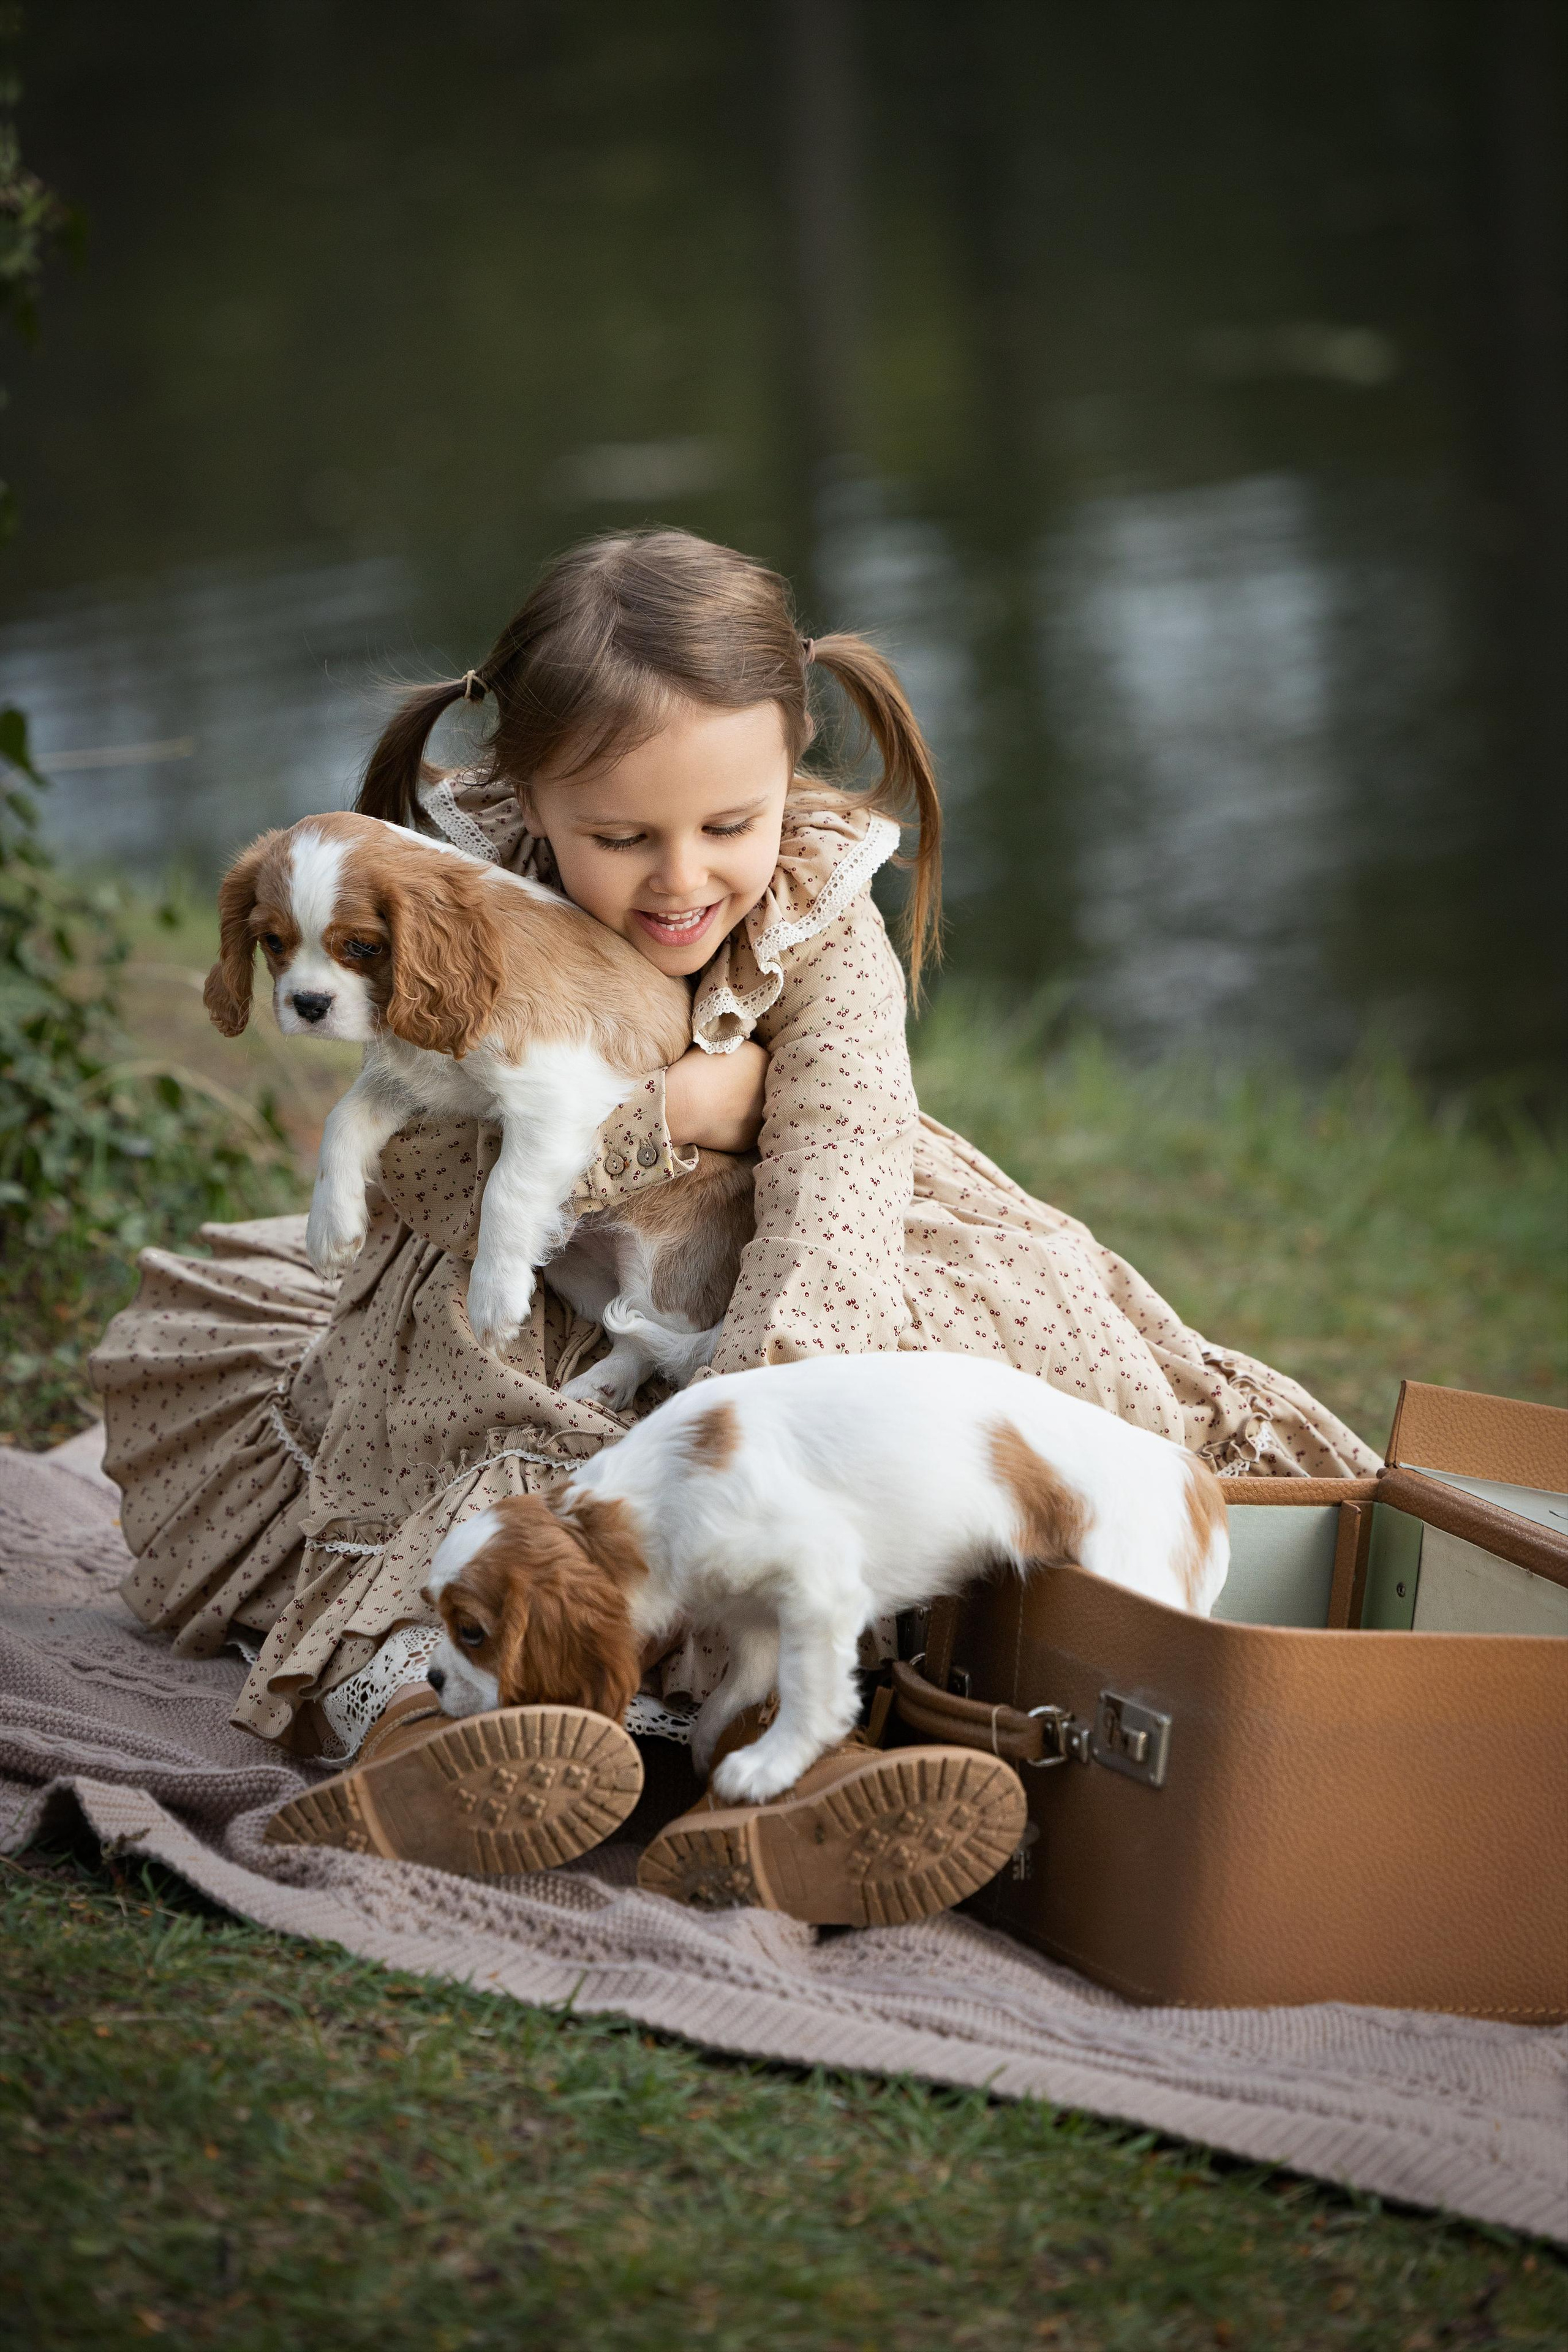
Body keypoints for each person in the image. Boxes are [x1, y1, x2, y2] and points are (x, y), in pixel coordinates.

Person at [91, 529, 1377, 1904]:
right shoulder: (447, 899)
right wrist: (679, 1112)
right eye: (620, 838)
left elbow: (839, 1177)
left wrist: (769, 1407)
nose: (681, 880)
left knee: (840, 1496)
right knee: (459, 1475)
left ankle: (790, 1768)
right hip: (517, 1291)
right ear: (528, 796)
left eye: (728, 827)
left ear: (789, 769)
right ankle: (422, 1729)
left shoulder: (821, 928)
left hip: (777, 1279)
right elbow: (420, 1170)